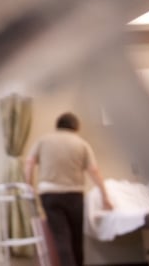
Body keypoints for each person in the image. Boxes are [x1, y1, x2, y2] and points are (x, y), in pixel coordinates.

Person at [24, 112, 113, 266]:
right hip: (75, 195)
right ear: (76, 127)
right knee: (76, 239)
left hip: (50, 195)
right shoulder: (81, 143)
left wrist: (28, 185)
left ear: (58, 125)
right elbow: (94, 170)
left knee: (61, 238)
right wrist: (105, 196)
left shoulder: (43, 141)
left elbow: (29, 162)